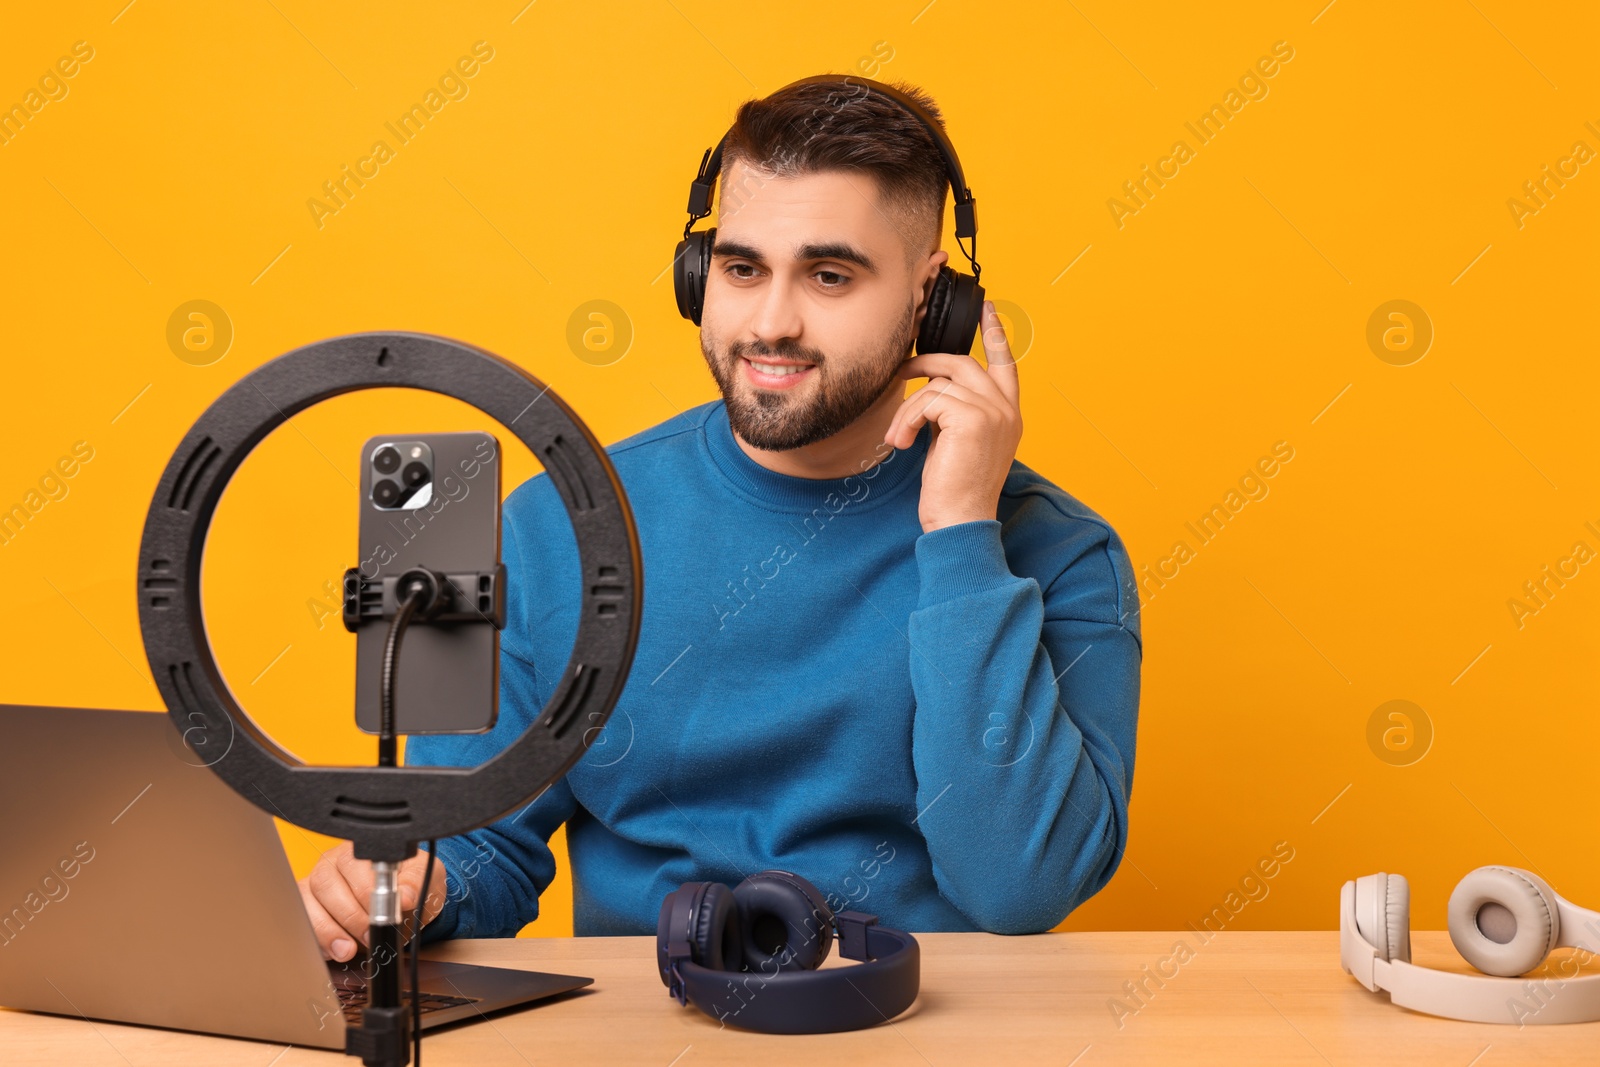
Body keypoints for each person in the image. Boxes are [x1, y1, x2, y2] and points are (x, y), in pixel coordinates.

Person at [297, 76, 1142, 963]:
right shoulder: (555, 526)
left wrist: (962, 532)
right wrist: (413, 890)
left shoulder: (1060, 553)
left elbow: (1020, 888)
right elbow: (478, 850)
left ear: (932, 299)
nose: (771, 324)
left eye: (829, 275)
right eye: (741, 269)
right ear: (699, 274)